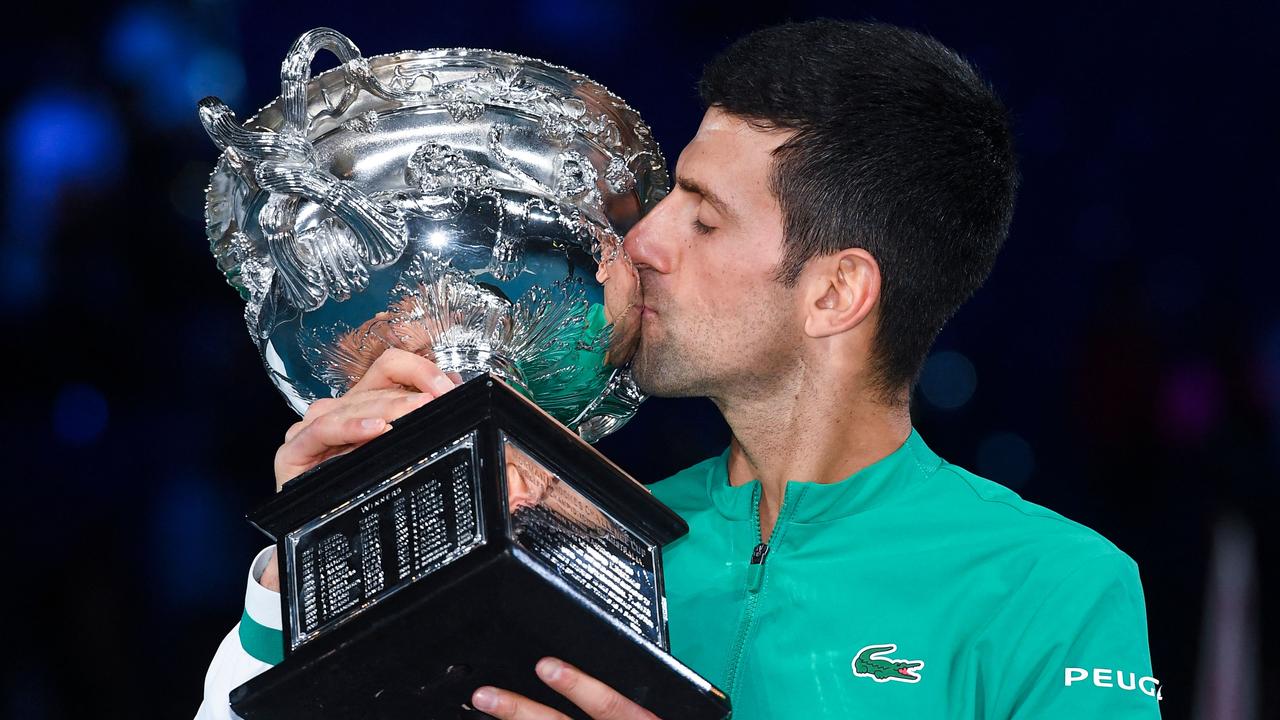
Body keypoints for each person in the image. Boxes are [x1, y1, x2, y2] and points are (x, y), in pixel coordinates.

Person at [197, 19, 1162, 719]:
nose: (640, 242)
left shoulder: (1052, 586)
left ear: (835, 294)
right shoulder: (570, 540)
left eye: (701, 216)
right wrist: (306, 580)